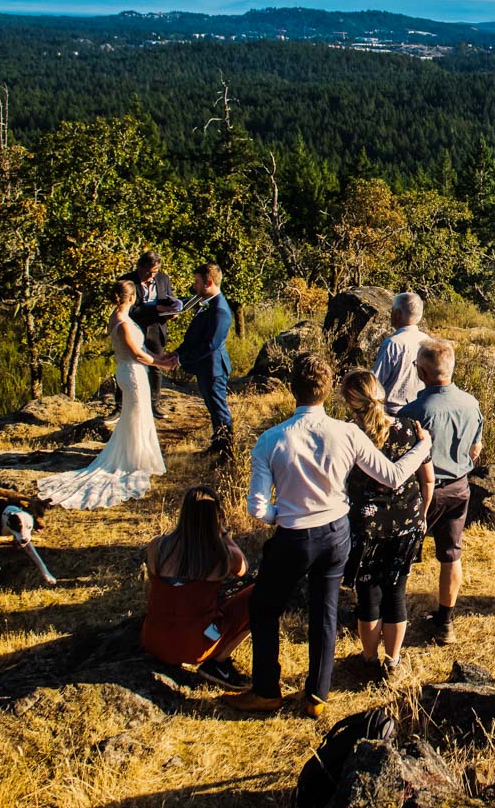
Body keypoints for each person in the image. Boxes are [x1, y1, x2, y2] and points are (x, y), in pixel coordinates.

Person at [223, 353, 430, 719]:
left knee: (265, 607)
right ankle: (317, 694)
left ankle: (267, 689)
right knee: (325, 610)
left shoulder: (270, 440)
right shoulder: (347, 432)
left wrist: (278, 515)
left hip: (293, 535)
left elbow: (256, 508)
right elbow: (394, 476)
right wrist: (423, 449)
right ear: (328, 390)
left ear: (292, 390)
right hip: (336, 532)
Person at [39, 280, 175, 510]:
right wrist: (161, 365)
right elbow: (135, 353)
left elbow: (142, 350)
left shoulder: (118, 316)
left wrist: (160, 358)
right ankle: (134, 459)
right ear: (131, 298)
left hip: (131, 370)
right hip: (132, 372)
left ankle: (138, 455)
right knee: (136, 416)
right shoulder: (122, 323)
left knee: (135, 417)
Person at [339, 370, 433, 677]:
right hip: (406, 522)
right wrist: (422, 514)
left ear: (350, 402)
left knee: (368, 595)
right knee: (396, 592)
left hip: (367, 528)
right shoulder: (411, 430)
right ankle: (393, 662)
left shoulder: (348, 435)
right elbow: (427, 479)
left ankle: (368, 660)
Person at [397, 338, 483, 646]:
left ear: (421, 372)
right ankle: (445, 622)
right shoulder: (471, 404)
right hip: (459, 487)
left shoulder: (413, 411)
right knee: (451, 554)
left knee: (403, 555)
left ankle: (393, 617)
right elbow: (476, 449)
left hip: (423, 491)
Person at [141, 486, 254, 691]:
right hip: (198, 644)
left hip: (153, 641)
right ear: (216, 517)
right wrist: (225, 534)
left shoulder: (157, 546)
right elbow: (244, 569)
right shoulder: (222, 555)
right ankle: (218, 664)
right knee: (261, 595)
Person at [176, 263, 235, 457]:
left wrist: (181, 360)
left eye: (197, 282)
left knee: (219, 409)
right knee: (212, 407)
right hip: (206, 367)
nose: (194, 286)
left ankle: (227, 450)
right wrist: (176, 353)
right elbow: (195, 338)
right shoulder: (208, 303)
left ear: (208, 283)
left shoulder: (220, 310)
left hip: (214, 368)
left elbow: (210, 345)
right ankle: (218, 444)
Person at [118, 251, 177, 420]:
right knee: (130, 363)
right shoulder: (127, 281)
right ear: (140, 267)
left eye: (155, 271)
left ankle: (155, 404)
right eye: (149, 271)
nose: (152, 276)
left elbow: (168, 299)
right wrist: (156, 309)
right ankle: (119, 406)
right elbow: (130, 309)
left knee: (156, 368)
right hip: (134, 328)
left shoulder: (163, 279)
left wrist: (173, 310)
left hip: (157, 328)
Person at [372, 292, 427, 416]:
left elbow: (375, 382)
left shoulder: (392, 343)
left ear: (397, 314)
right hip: (420, 412)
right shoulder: (428, 342)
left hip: (393, 413)